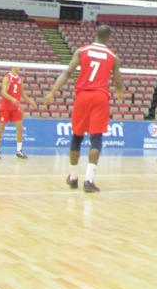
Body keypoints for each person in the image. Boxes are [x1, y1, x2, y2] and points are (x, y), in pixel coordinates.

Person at [44, 25, 123, 193]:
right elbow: (118, 81)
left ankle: (73, 177)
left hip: (83, 96)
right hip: (100, 97)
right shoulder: (113, 56)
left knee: (77, 137)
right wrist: (120, 93)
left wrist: (52, 92)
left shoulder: (82, 51)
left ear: (95, 34)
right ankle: (89, 180)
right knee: (96, 138)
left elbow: (67, 73)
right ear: (109, 38)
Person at [0, 66, 37, 159]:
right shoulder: (6, 78)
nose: (19, 67)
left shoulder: (20, 79)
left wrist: (30, 101)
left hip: (16, 107)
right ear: (13, 67)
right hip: (5, 107)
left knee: (20, 127)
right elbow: (3, 92)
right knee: (1, 128)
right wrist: (12, 98)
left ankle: (19, 150)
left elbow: (22, 94)